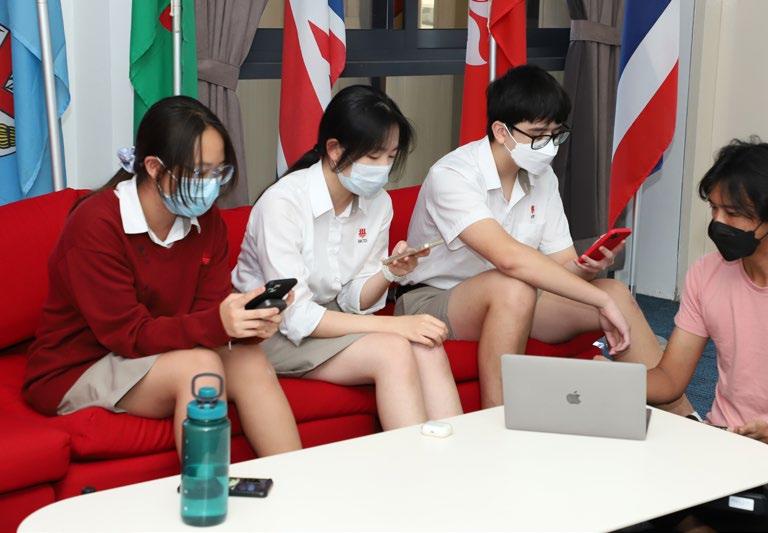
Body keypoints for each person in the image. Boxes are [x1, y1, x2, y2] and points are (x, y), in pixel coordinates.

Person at [394, 64, 694, 415]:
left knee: (614, 292)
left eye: (555, 134)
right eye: (538, 135)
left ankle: (684, 417)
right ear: (501, 131)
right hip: (435, 300)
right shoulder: (452, 175)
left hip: (518, 297)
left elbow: (560, 264)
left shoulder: (542, 176)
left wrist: (586, 268)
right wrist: (595, 298)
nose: (549, 146)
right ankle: (497, 420)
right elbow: (510, 259)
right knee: (514, 287)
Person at [23, 96, 302, 458]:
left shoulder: (207, 223)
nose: (211, 186)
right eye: (199, 173)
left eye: (218, 172)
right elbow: (129, 335)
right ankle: (206, 488)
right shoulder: (96, 224)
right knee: (200, 369)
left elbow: (201, 317)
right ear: (154, 167)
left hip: (158, 349)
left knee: (251, 362)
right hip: (80, 365)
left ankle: (296, 483)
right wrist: (218, 324)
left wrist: (247, 324)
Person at [233, 85, 463, 430]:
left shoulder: (379, 204)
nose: (383, 168)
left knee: (426, 345)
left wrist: (390, 273)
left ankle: (461, 457)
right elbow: (297, 317)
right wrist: (396, 325)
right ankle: (415, 463)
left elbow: (354, 299)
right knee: (393, 350)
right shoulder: (283, 204)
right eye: (374, 157)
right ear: (334, 149)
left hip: (330, 319)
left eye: (391, 157)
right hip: (271, 331)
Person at [648, 138, 768, 532]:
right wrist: (610, 383)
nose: (718, 223)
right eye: (714, 209)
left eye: (732, 213)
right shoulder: (705, 274)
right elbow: (669, 380)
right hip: (722, 446)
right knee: (631, 491)